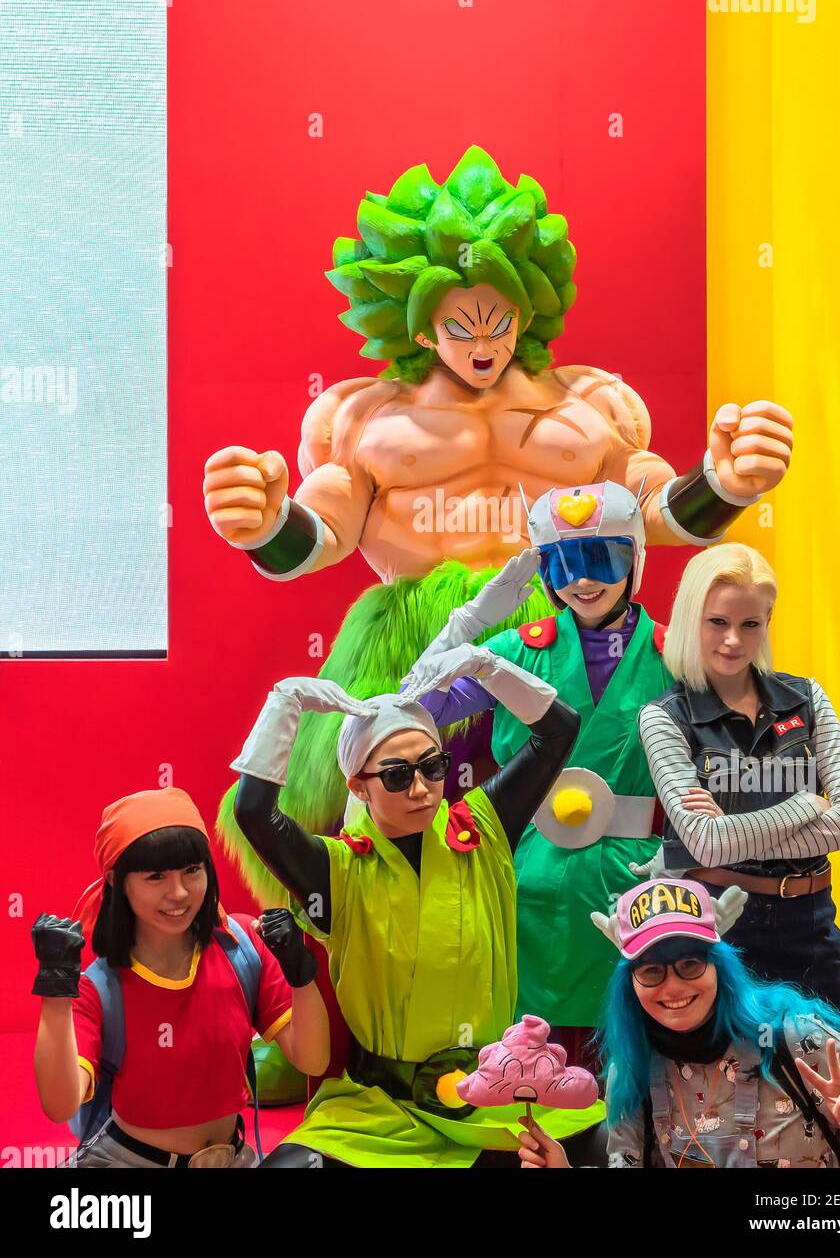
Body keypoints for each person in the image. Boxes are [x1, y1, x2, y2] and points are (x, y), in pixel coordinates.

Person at [204, 144, 795, 906]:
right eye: (459, 325)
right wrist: (264, 524)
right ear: (418, 329)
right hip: (414, 640)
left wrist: (721, 483)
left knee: (586, 821)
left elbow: (649, 511)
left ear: (528, 306)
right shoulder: (364, 418)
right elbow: (325, 528)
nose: (483, 345)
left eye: (498, 320)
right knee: (380, 843)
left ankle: (599, 999)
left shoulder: (588, 407)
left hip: (563, 634)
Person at [230, 651, 606, 1167]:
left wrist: (487, 667)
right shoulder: (336, 869)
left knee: (608, 1149)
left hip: (494, 1096)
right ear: (357, 786)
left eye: (433, 767)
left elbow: (558, 731)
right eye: (396, 775)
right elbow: (253, 811)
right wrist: (284, 705)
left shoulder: (484, 828)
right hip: (381, 1109)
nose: (421, 788)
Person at [405, 481, 671, 1053]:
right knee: (528, 1060)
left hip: (638, 886)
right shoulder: (519, 648)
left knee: (629, 1051)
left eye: (603, 556)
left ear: (636, 558)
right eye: (565, 561)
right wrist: (468, 623)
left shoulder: (675, 655)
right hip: (525, 884)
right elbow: (413, 702)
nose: (583, 579)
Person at [635, 544, 840, 1030]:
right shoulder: (663, 718)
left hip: (813, 922)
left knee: (834, 1081)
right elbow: (702, 841)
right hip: (722, 926)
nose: (733, 641)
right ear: (689, 619)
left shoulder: (807, 698)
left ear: (767, 624)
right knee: (733, 1089)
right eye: (717, 622)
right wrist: (806, 803)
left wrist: (734, 826)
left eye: (750, 624)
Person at [517, 878, 840, 1169]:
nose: (673, 986)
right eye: (652, 971)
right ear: (631, 985)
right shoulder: (633, 1065)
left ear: (719, 968)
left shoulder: (791, 1037)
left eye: (690, 963)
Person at [31, 787, 329, 1169]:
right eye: (155, 876)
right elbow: (60, 1105)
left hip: (232, 1159)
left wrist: (300, 971)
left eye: (192, 870)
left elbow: (313, 1059)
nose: (179, 893)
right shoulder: (99, 987)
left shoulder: (242, 948)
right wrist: (56, 991)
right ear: (116, 880)